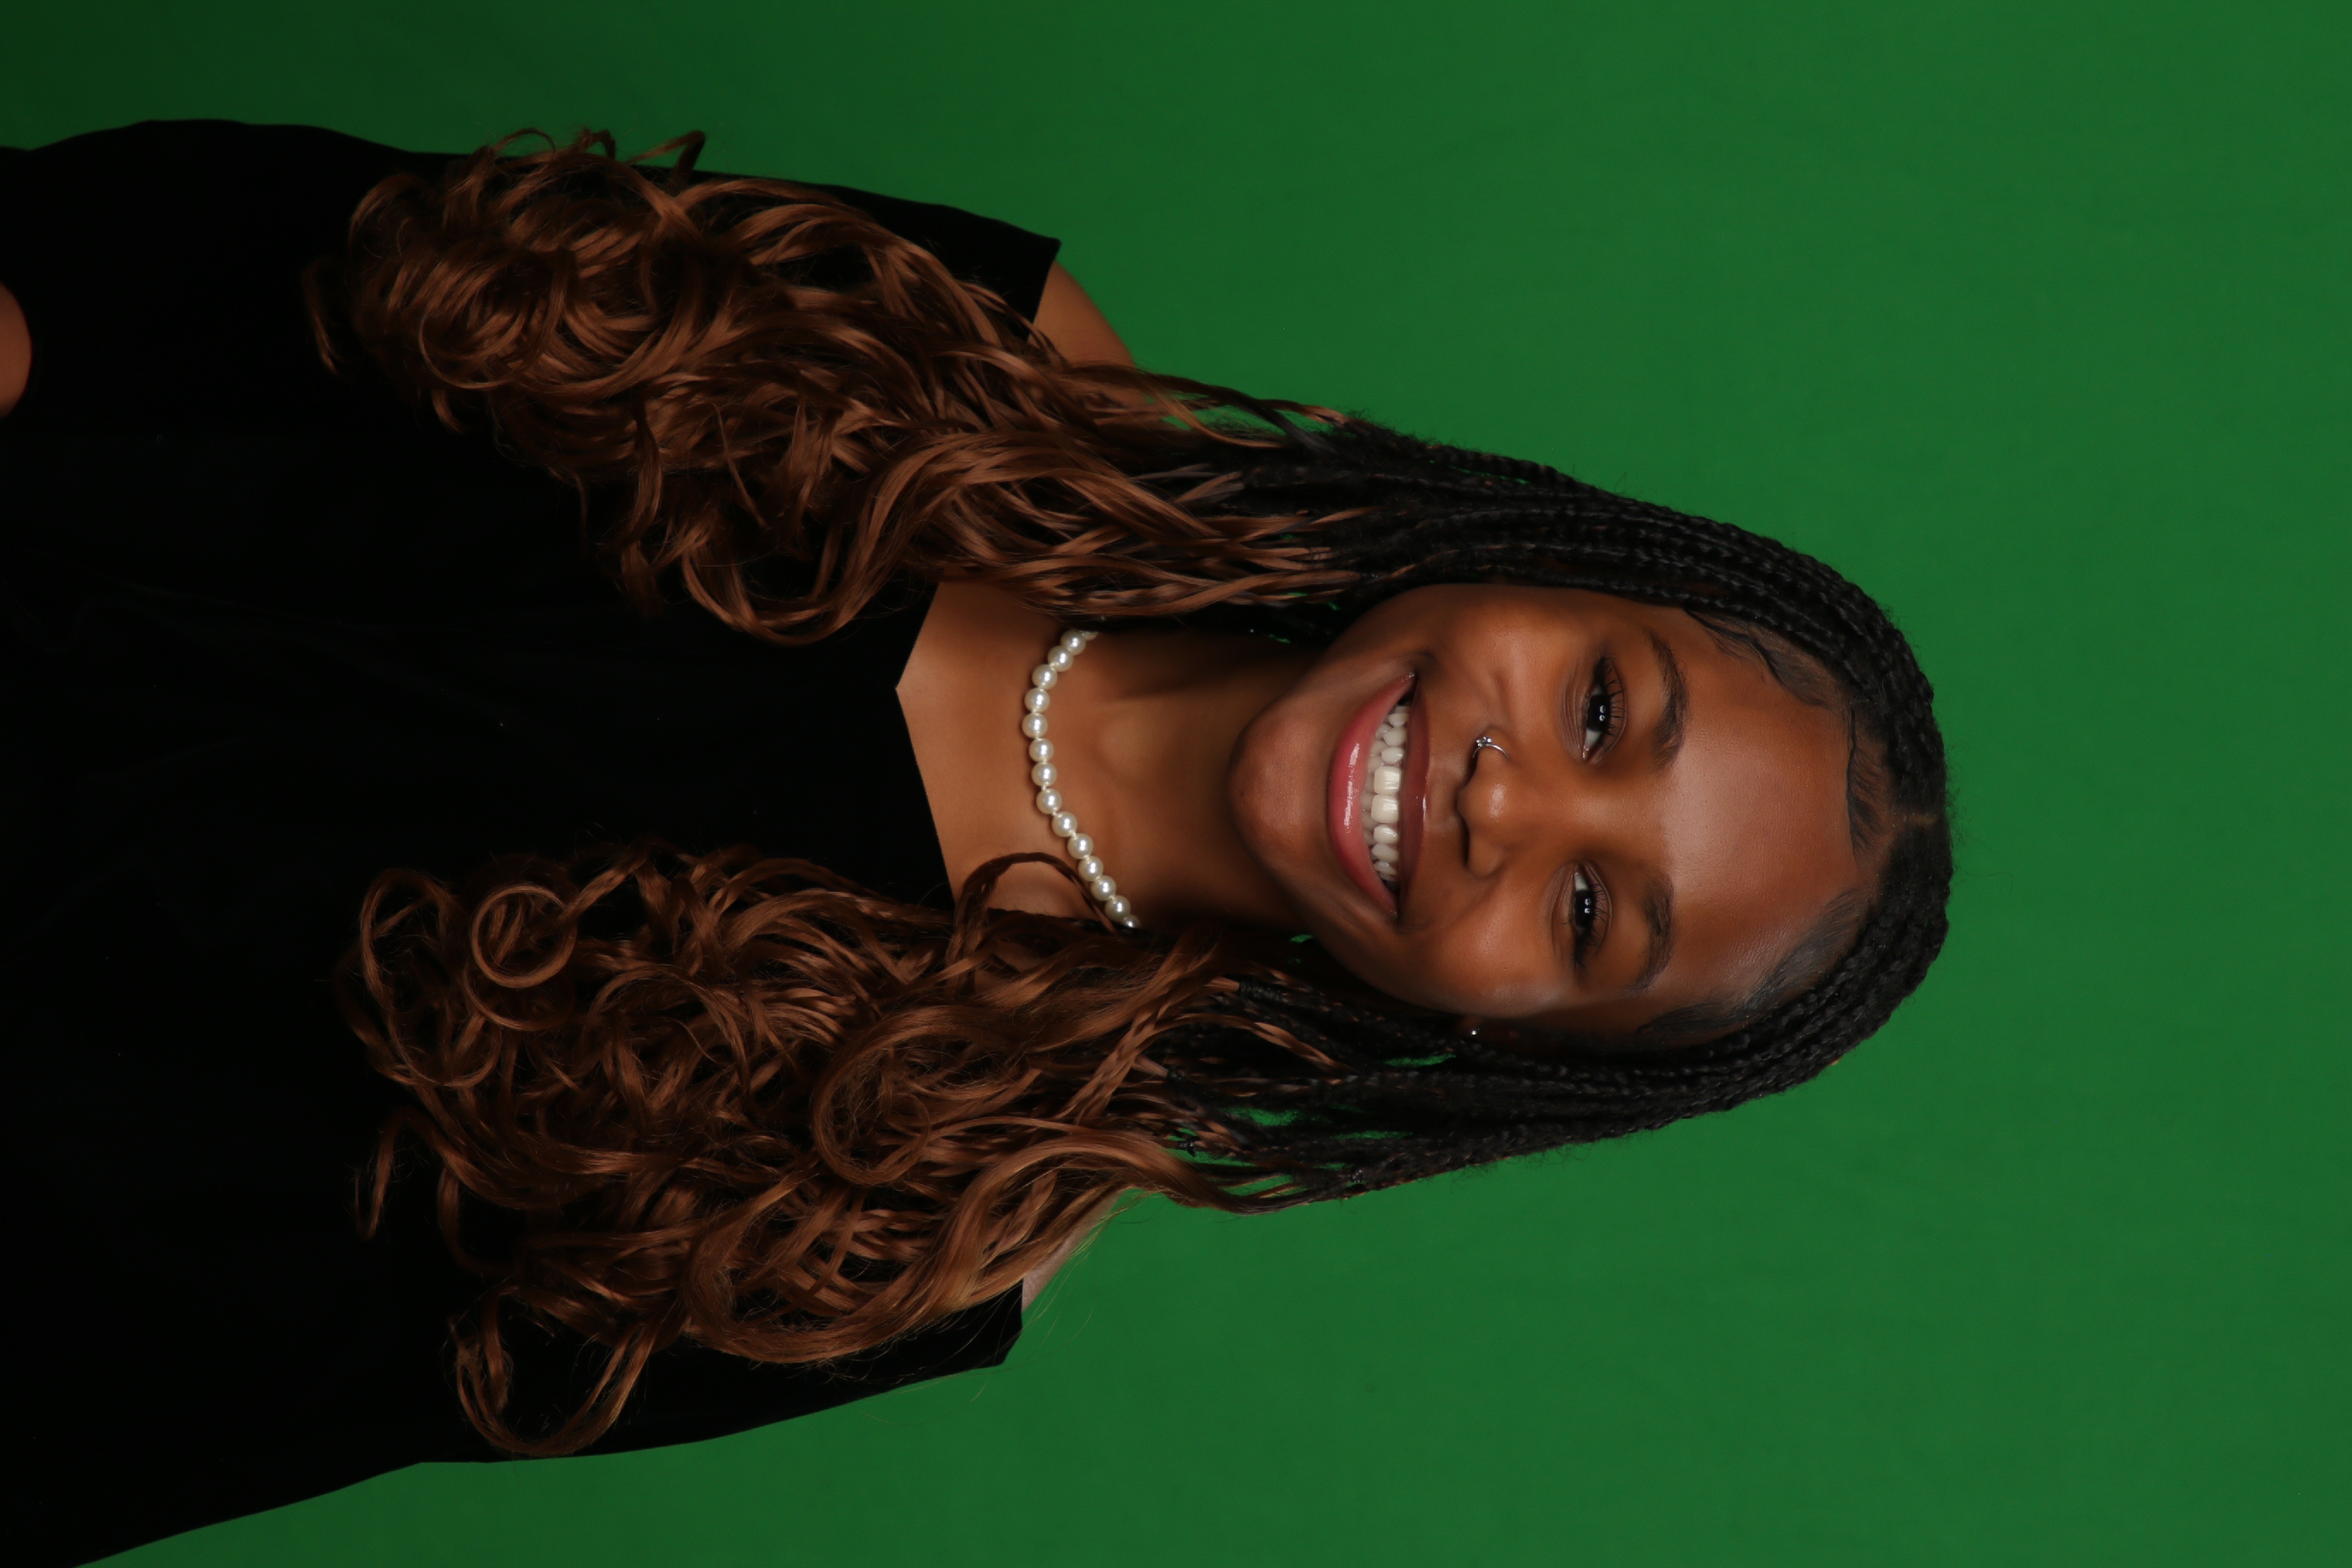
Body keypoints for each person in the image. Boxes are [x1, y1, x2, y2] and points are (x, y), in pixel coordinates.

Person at [0, 120, 1951, 1566]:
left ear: (1503, 1041)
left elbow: (171, 1373)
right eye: (1603, 708)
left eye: (1593, 912)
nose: (1507, 803)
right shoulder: (977, 353)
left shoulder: (917, 1224)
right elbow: (295, 264)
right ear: (1559, 560)